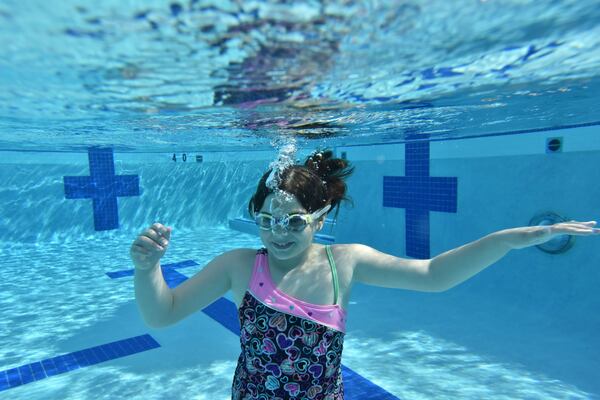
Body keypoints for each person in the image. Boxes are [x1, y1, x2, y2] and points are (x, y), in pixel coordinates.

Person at [131, 149, 599, 399]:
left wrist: (504, 240)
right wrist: (147, 269)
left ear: (320, 218)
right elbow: (163, 313)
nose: (278, 234)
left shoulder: (344, 261)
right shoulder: (239, 266)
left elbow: (434, 274)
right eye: (267, 221)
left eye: (294, 222)